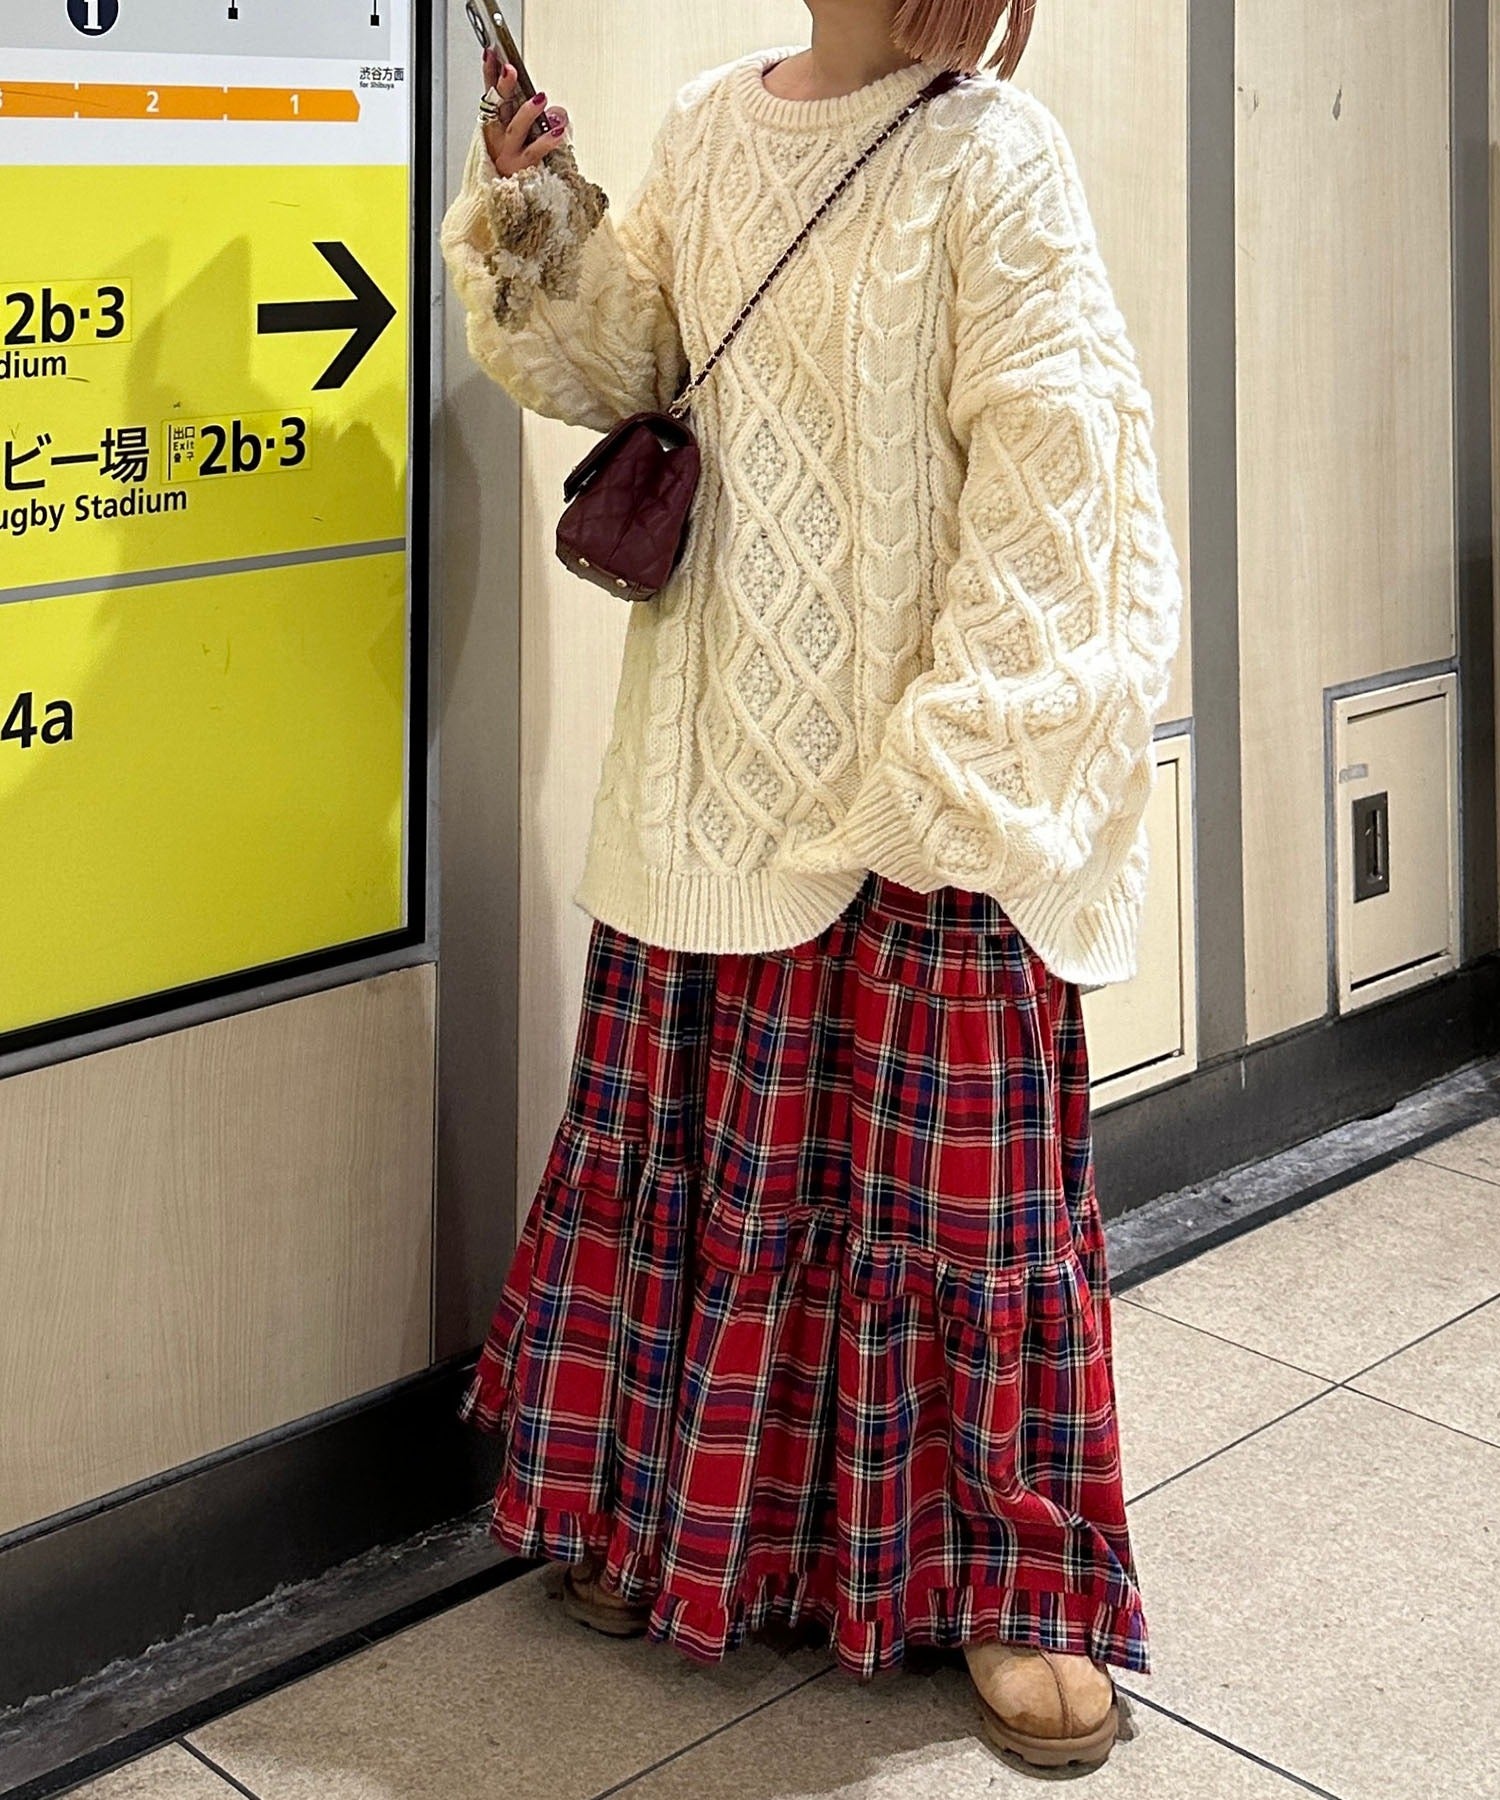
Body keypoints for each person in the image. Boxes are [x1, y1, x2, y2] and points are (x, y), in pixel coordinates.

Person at [439, 0, 1183, 1771]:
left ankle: (1012, 1576)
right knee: (713, 1162)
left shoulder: (992, 154)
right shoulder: (711, 124)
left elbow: (1060, 488)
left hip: (917, 792)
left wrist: (956, 762)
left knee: (961, 1215)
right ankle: (668, 1521)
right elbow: (635, 368)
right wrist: (546, 222)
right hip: (718, 753)